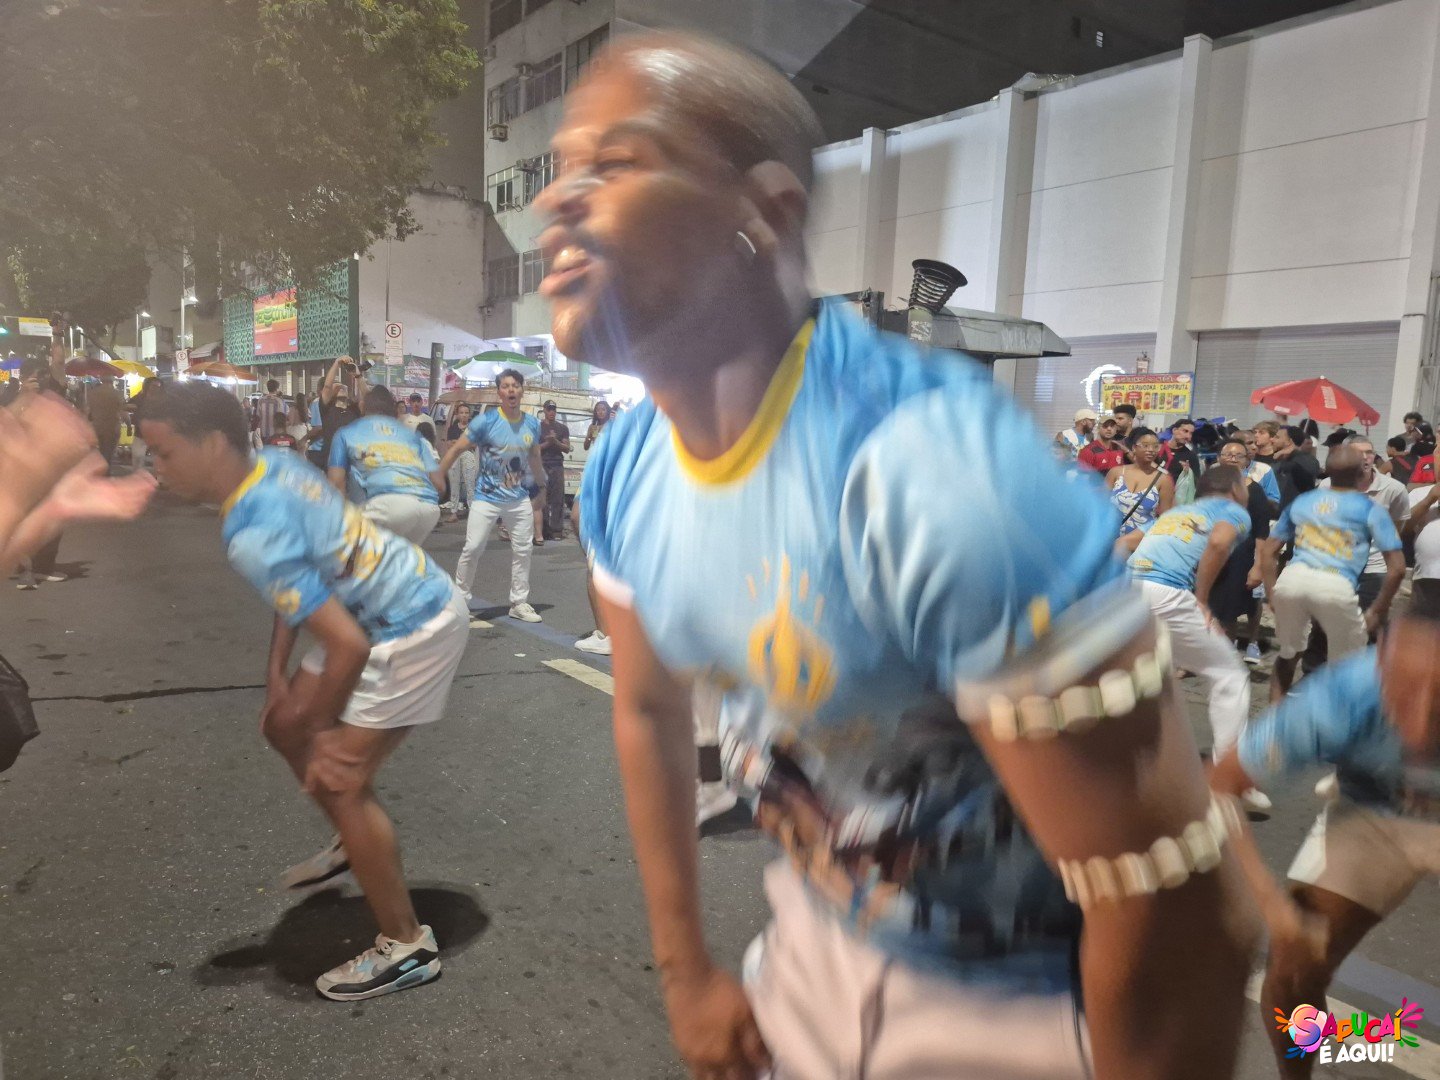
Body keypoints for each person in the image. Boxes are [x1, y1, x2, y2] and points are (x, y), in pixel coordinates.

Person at [543, 33, 1256, 1079]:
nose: (557, 199)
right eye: (560, 166)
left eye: (615, 162)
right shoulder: (626, 466)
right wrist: (685, 972)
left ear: (765, 211)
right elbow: (648, 711)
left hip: (1022, 1013)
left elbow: (1176, 918)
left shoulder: (931, 469)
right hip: (812, 953)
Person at [138, 382, 468, 1001]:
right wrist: (278, 679)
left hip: (414, 624)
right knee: (282, 725)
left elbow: (348, 647)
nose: (154, 466)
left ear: (213, 444)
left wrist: (326, 740)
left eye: (164, 452)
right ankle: (354, 834)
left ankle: (407, 948)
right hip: (376, 607)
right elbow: (301, 587)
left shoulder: (251, 532)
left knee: (338, 779)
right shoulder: (274, 463)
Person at [1209, 616, 1440, 1080]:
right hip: (1375, 811)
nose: (1419, 720)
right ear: (1382, 669)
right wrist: (1273, 907)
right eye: (1405, 695)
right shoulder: (1341, 698)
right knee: (1292, 972)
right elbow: (1221, 786)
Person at [1119, 466, 1269, 811]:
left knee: (1153, 678)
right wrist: (1201, 600)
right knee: (1229, 674)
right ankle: (1230, 777)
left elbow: (1123, 543)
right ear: (1235, 489)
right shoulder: (1234, 511)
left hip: (1128, 589)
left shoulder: (1176, 513)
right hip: (1168, 592)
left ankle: (1139, 769)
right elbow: (1218, 542)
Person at [1261, 445, 1405, 704]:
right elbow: (1397, 568)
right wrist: (1377, 609)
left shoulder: (1303, 501)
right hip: (1335, 585)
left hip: (1292, 580)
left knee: (1288, 653)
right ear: (1362, 472)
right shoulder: (1370, 509)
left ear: (1327, 471)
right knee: (1348, 666)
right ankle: (1337, 721)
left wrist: (1272, 593)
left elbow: (1269, 551)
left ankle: (1275, 721)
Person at [437, 369, 546, 623]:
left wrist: (542, 488)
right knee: (473, 547)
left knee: (523, 549)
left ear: (522, 390)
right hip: (486, 497)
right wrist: (438, 475)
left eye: (515, 385)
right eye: (506, 386)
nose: (511, 390)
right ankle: (460, 600)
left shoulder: (532, 424)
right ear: (499, 393)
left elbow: (535, 457)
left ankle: (519, 602)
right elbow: (457, 448)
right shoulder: (485, 422)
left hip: (518, 498)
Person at [1302, 435, 1411, 669]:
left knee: (1369, 626)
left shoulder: (1393, 489)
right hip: (1336, 565)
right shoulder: (1327, 486)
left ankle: (1364, 680)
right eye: (1358, 453)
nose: (1365, 457)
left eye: (1369, 452)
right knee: (1323, 625)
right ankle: (1314, 675)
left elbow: (1397, 527)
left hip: (1374, 566)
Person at [327, 385, 445, 544]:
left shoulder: (345, 433)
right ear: (394, 410)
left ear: (362, 407)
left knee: (359, 553)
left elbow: (336, 483)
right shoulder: (413, 436)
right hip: (428, 509)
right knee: (400, 554)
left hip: (385, 506)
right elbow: (439, 484)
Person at [1209, 439, 1272, 665]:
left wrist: (1258, 566)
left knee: (1242, 602)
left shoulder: (1254, 490)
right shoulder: (1210, 486)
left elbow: (1262, 533)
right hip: (1214, 553)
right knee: (1219, 604)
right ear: (1219, 458)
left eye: (1239, 456)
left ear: (1247, 461)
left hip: (1242, 555)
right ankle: (1227, 647)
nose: (1233, 459)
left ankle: (1248, 643)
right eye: (1228, 454)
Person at [1106, 427, 1174, 536]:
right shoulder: (1116, 473)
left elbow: (1165, 518)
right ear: (1134, 448)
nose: (1151, 450)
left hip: (1142, 542)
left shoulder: (1163, 479)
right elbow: (1100, 506)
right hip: (1110, 538)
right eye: (1145, 445)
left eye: (1155, 446)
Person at [1404, 480, 1440, 621]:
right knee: (1422, 627)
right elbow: (1403, 527)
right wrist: (1429, 500)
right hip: (1426, 577)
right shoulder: (1420, 493)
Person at [538, 400, 571, 540]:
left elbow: (567, 448)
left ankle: (557, 530)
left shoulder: (562, 428)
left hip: (557, 465)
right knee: (542, 499)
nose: (552, 412)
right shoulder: (537, 427)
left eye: (554, 409)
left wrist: (555, 441)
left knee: (558, 498)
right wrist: (548, 442)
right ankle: (544, 530)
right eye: (549, 409)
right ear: (544, 410)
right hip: (541, 465)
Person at [441, 403, 477, 523]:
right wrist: (463, 443)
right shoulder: (452, 428)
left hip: (468, 455)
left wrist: (458, 443)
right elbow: (449, 444)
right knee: (454, 483)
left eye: (466, 413)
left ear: (469, 414)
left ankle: (472, 510)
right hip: (454, 456)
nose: (464, 415)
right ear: (457, 414)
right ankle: (453, 512)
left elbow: (474, 444)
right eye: (461, 412)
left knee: (470, 484)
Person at [86, 375, 123, 470]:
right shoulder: (117, 394)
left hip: (97, 426)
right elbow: (123, 411)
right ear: (112, 380)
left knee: (99, 450)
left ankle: (99, 470)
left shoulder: (92, 393)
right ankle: (105, 471)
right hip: (112, 426)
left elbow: (87, 411)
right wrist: (129, 425)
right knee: (108, 453)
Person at [128, 377, 162, 472]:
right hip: (140, 432)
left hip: (157, 433)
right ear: (147, 386)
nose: (156, 388)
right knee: (137, 456)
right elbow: (126, 406)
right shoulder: (140, 398)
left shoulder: (161, 399)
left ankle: (159, 478)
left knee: (158, 459)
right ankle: (138, 475)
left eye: (158, 386)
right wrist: (134, 407)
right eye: (153, 386)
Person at [253, 379, 288, 445]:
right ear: (277, 388)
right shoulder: (279, 401)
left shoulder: (261, 400)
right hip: (276, 434)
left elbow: (258, 416)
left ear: (267, 388)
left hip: (263, 433)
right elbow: (283, 417)